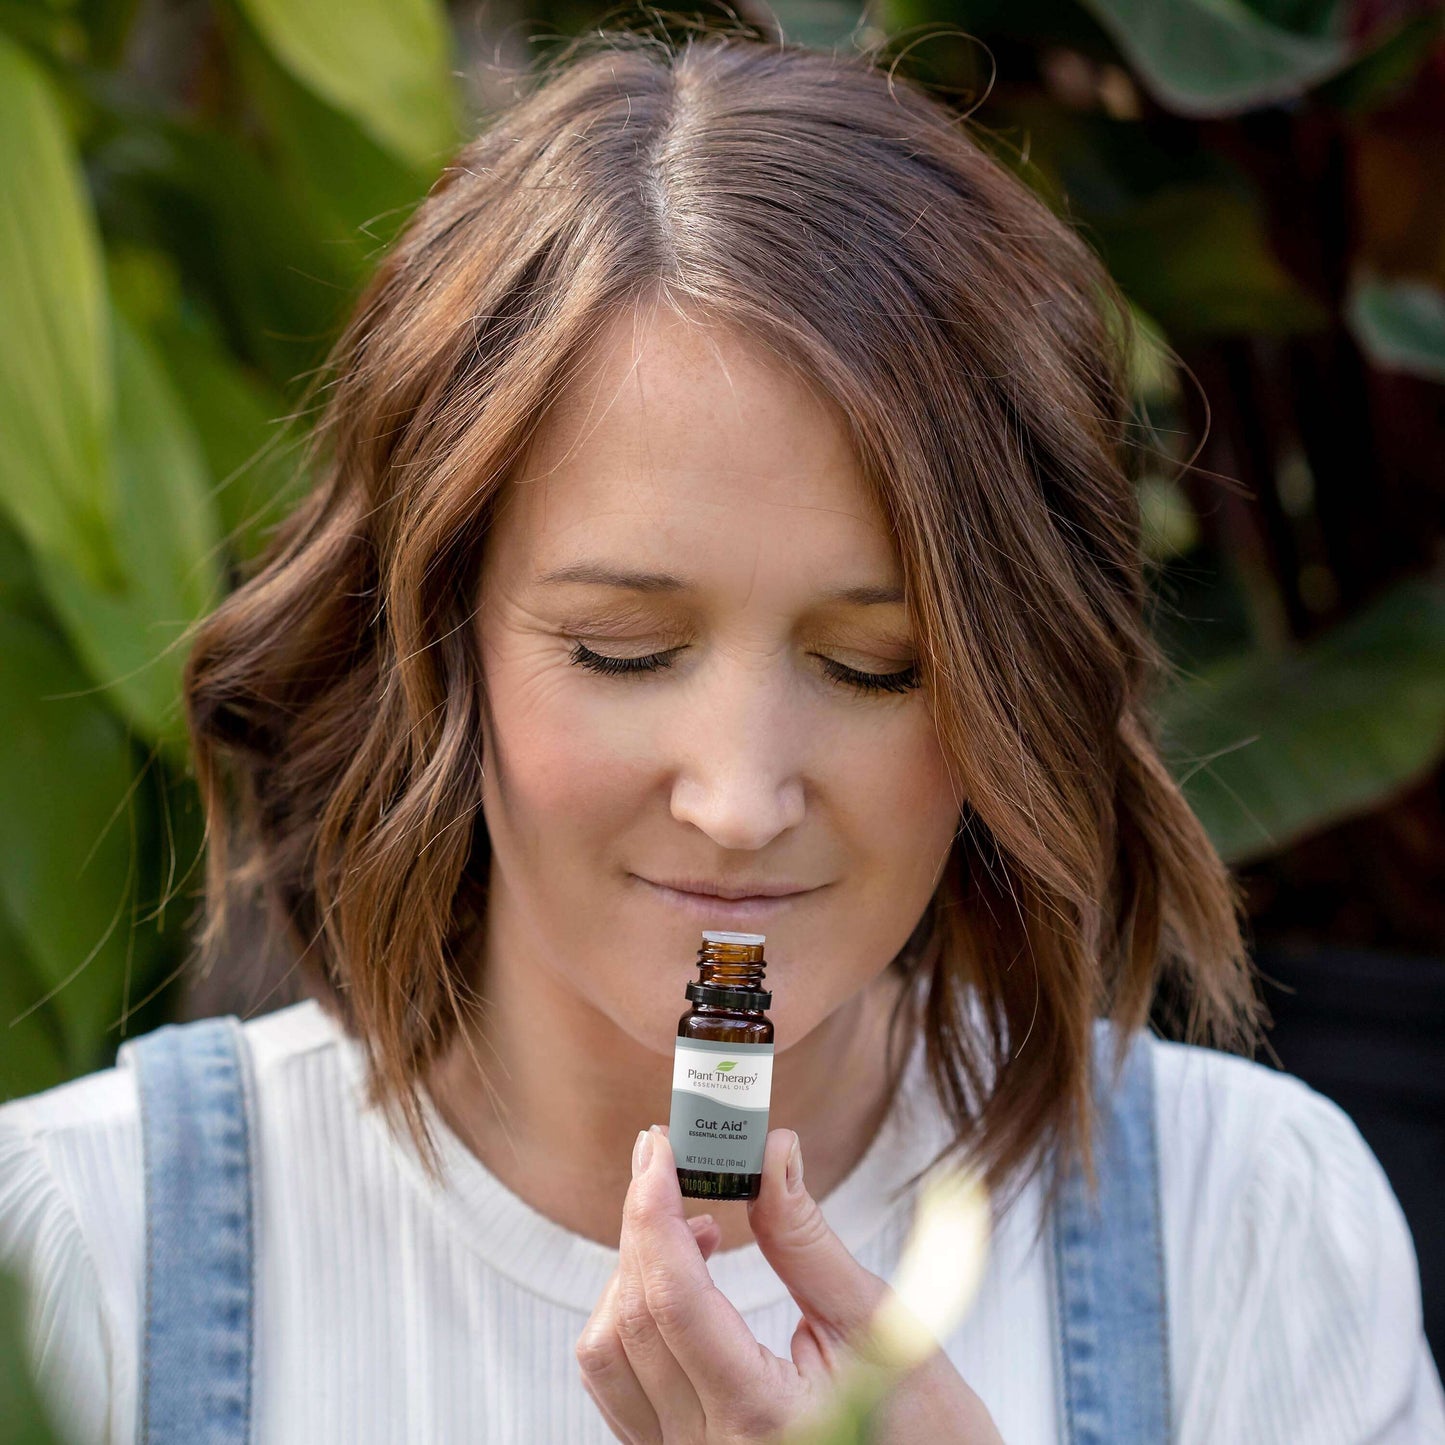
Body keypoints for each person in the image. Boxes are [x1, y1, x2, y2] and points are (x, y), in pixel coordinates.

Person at [2, 23, 1442, 1445]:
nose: (740, 798)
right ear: (435, 637)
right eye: (624, 651)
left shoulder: (1245, 1227)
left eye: (876, 665)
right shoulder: (83, 1254)